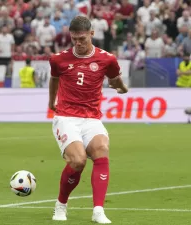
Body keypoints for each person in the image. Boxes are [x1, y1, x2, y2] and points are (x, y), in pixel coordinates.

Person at [48, 16, 128, 224]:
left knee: (101, 148)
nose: (78, 43)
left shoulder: (107, 59)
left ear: (92, 34)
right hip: (66, 117)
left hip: (92, 118)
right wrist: (51, 102)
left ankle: (98, 210)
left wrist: (122, 87)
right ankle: (61, 204)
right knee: (78, 160)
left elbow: (115, 78)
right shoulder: (58, 59)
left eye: (82, 39)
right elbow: (54, 79)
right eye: (74, 39)